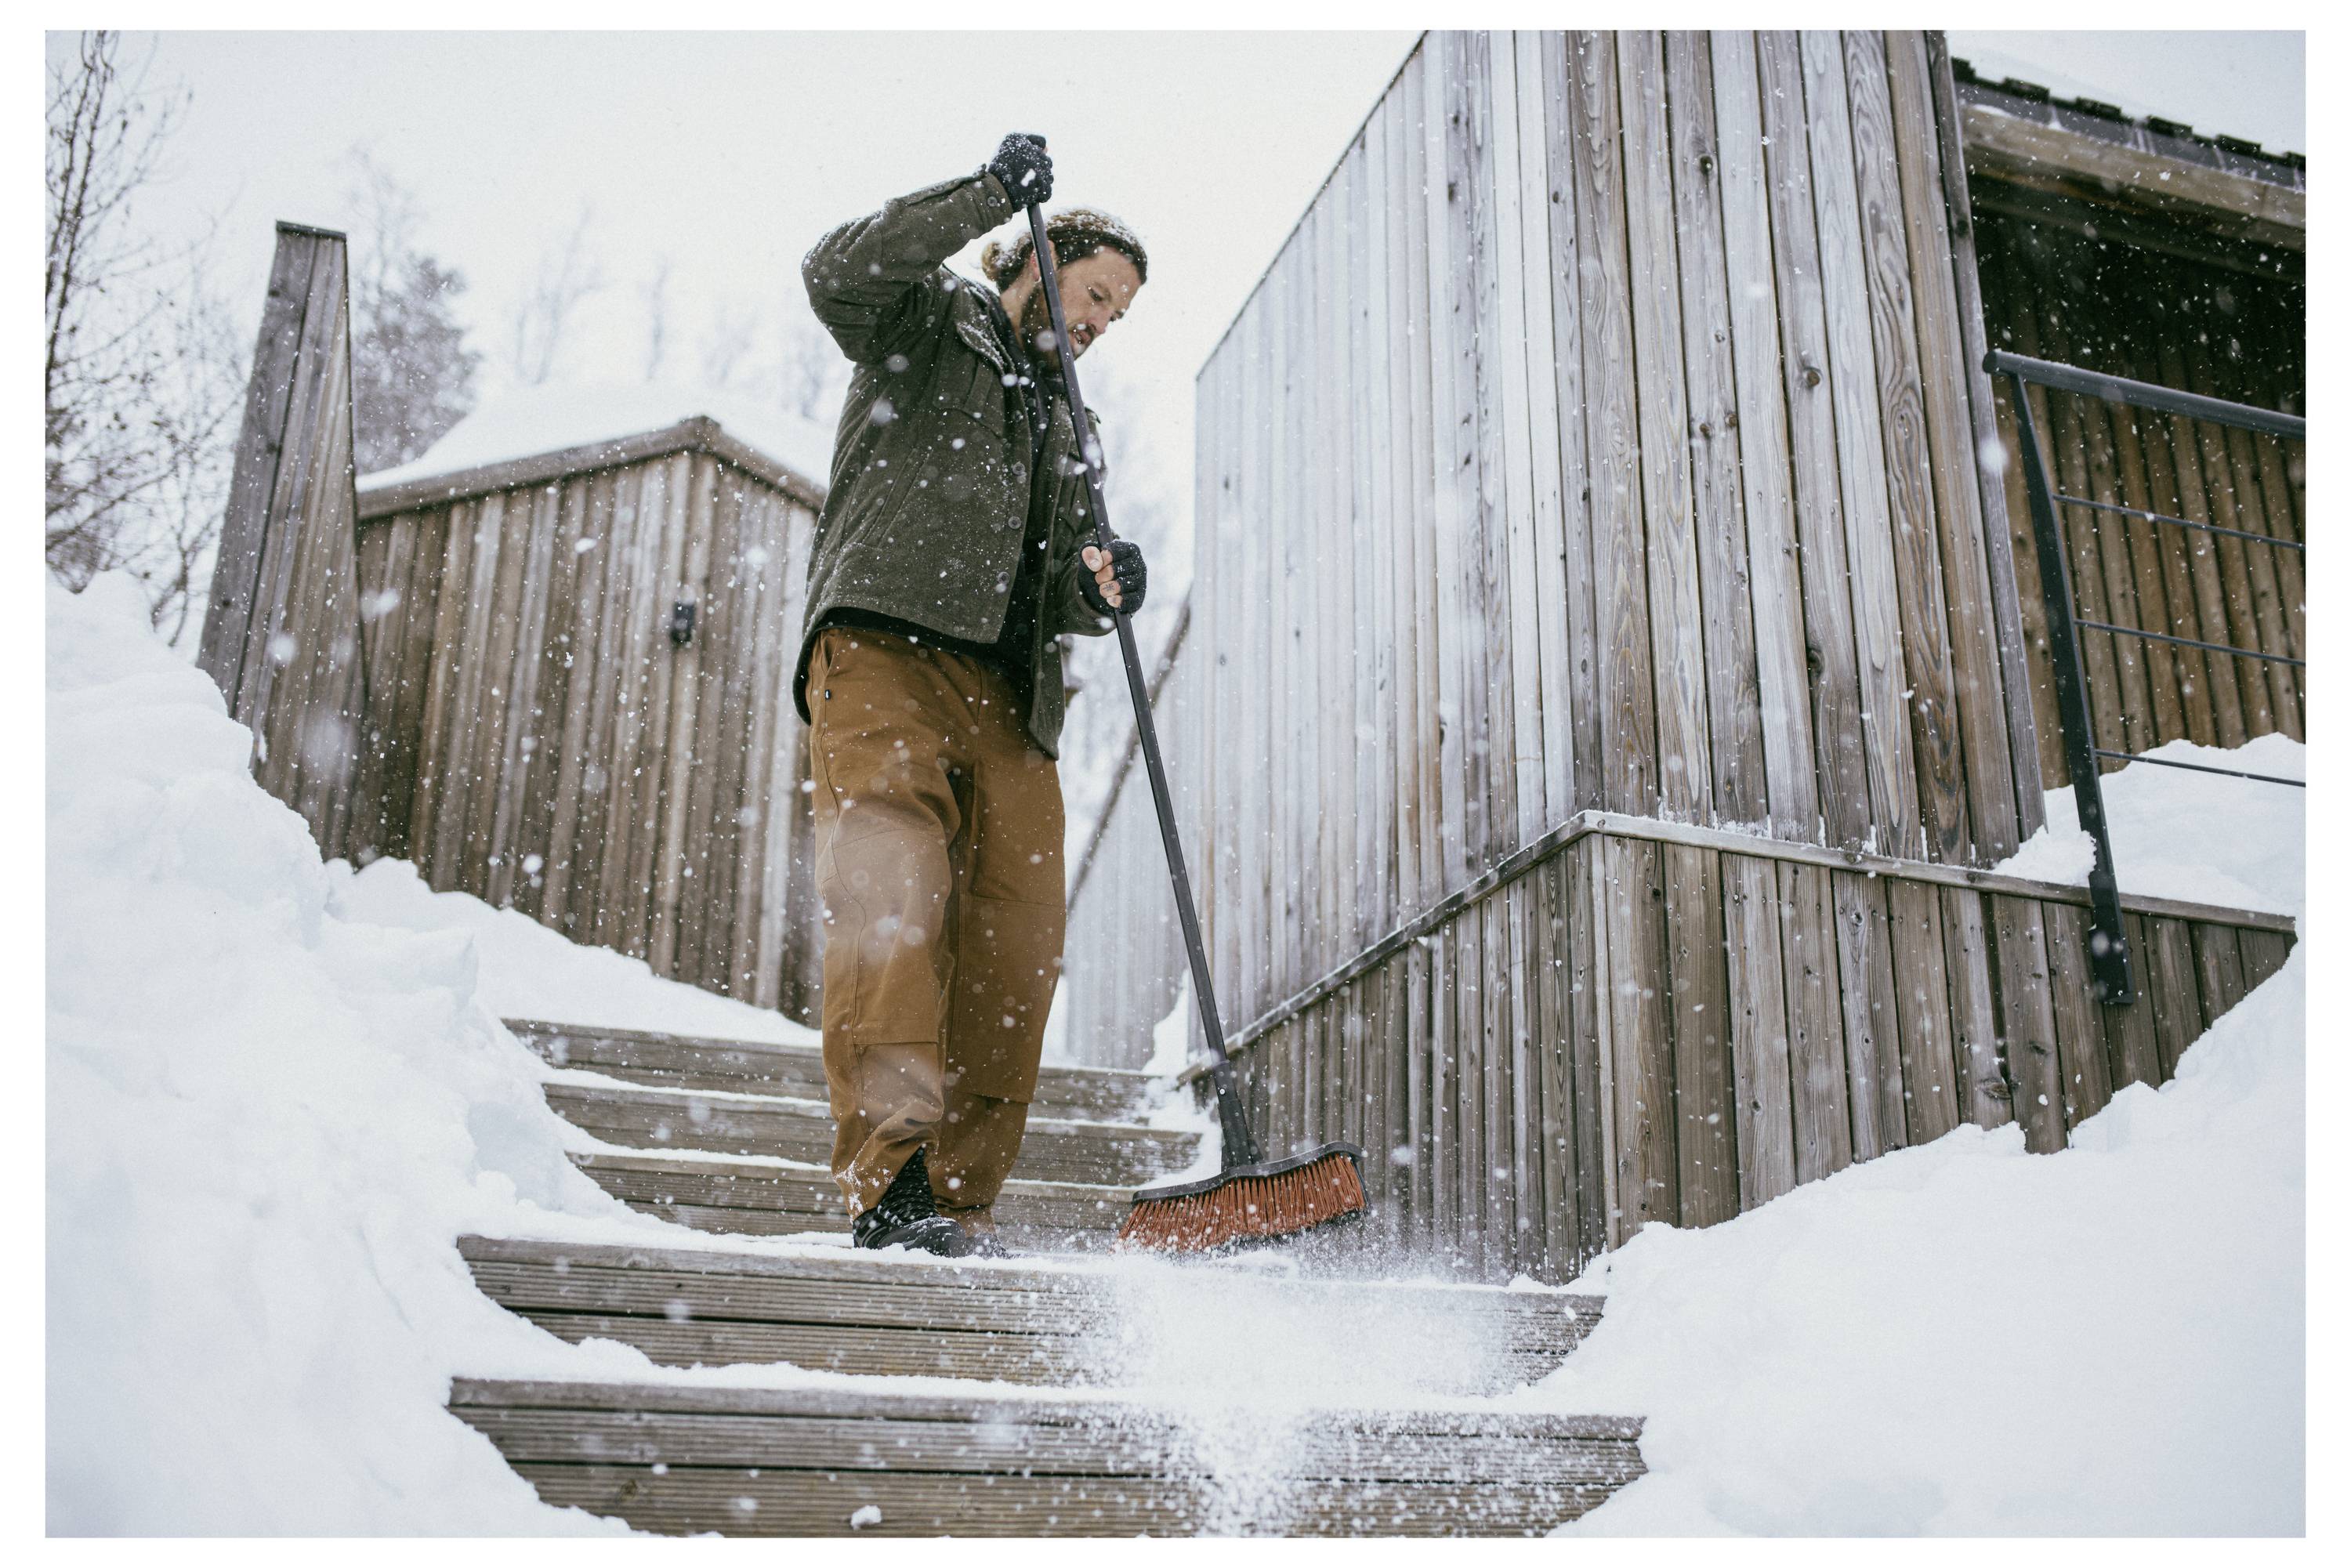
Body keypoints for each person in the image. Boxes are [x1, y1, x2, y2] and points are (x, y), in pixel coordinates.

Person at [795, 134, 1150, 1257]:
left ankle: (959, 1194)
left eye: (1117, 315)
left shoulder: (1069, 420)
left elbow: (1056, 582)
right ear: (1041, 256)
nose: (1098, 321)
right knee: (894, 905)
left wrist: (1102, 587)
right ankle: (891, 1179)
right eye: (1094, 291)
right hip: (887, 652)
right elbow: (837, 270)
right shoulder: (928, 319)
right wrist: (988, 192)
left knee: (1016, 943)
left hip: (1013, 699)